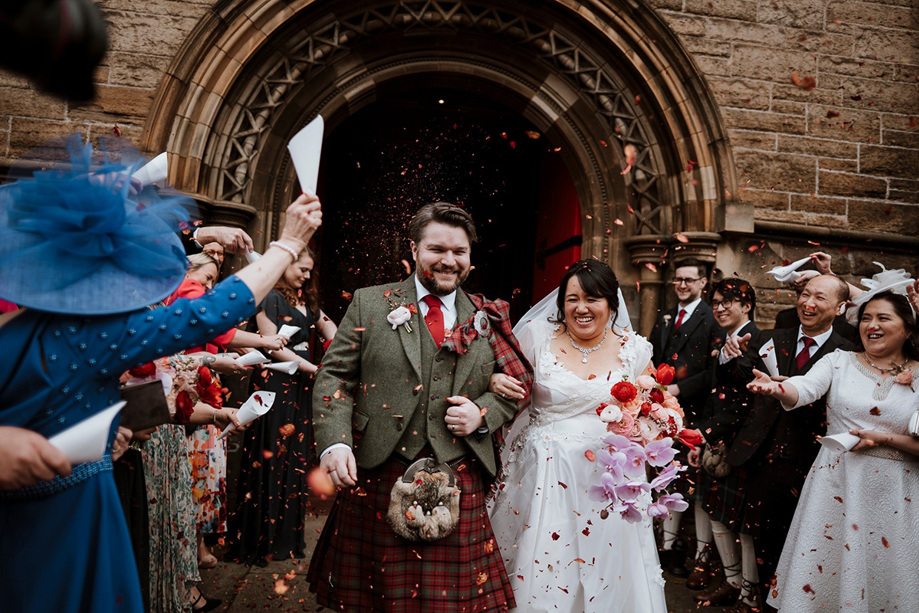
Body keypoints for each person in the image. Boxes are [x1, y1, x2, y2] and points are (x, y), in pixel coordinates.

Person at [0, 134, 322, 613]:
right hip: (71, 514)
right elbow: (210, 315)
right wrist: (289, 243)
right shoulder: (91, 336)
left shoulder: (15, 328)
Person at [307, 202, 531, 611]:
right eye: (437, 249)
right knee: (374, 600)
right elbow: (334, 377)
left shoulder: (487, 315)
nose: (449, 261)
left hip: (458, 474)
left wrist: (483, 413)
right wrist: (335, 442)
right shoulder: (370, 303)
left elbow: (519, 386)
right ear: (413, 249)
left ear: (469, 257)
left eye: (459, 252)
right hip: (379, 469)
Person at [487, 259, 667, 612]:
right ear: (561, 303)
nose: (581, 308)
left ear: (611, 304)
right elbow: (503, 383)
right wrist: (493, 380)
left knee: (609, 568)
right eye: (572, 299)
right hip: (544, 476)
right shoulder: (536, 338)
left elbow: (654, 408)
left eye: (592, 299)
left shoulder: (635, 350)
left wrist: (655, 426)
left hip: (610, 478)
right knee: (547, 565)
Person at [748, 273, 919, 613]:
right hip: (836, 486)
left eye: (883, 318)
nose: (872, 325)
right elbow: (804, 388)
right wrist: (777, 388)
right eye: (866, 318)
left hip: (898, 496)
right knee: (825, 576)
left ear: (908, 328)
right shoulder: (837, 361)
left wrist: (883, 439)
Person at [723, 273, 856, 608]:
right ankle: (757, 597)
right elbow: (740, 381)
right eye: (805, 294)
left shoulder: (847, 353)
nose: (808, 304)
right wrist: (728, 357)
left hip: (810, 459)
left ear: (840, 308)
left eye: (820, 298)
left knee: (802, 538)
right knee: (758, 533)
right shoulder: (771, 337)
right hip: (762, 452)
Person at [228, 247, 337, 566]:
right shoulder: (267, 297)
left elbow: (331, 330)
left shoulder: (308, 301)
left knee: (295, 455)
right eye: (301, 269)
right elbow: (270, 344)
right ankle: (260, 540)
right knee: (271, 454)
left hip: (301, 386)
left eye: (309, 270)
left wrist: (336, 356)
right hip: (274, 383)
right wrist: (312, 368)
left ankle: (285, 538)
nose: (306, 274)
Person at [689, 278, 763, 609]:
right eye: (715, 302)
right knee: (715, 513)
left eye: (727, 302)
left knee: (745, 524)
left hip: (745, 446)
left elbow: (749, 400)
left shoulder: (761, 340)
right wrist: (701, 437)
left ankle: (750, 592)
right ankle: (731, 582)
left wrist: (706, 435)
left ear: (747, 305)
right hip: (717, 441)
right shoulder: (722, 338)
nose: (719, 308)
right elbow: (714, 397)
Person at [649, 258, 723, 576]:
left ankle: (692, 553)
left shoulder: (712, 319)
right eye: (678, 279)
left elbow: (712, 372)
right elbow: (653, 353)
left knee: (688, 483)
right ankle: (664, 544)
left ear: (703, 283)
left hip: (694, 411)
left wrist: (677, 390)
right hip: (661, 411)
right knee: (663, 475)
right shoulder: (665, 315)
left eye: (689, 280)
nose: (682, 285)